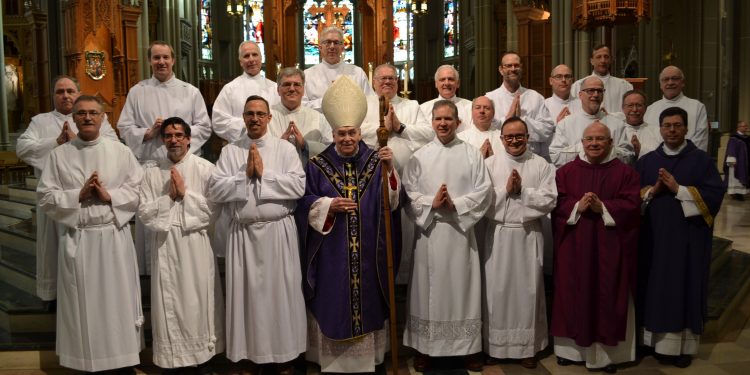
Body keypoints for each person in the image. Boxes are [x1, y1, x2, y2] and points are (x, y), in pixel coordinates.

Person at [296, 76, 400, 373]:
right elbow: (303, 203)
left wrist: (391, 169)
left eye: (351, 133)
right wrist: (328, 205)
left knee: (368, 300)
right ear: (333, 133)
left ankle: (369, 360)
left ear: (359, 132)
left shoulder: (377, 161)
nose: (347, 139)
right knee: (334, 300)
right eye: (341, 134)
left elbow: (394, 201)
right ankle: (333, 362)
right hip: (332, 255)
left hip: (369, 253)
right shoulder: (317, 165)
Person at [37, 95, 144, 372]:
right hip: (79, 239)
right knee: (81, 304)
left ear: (103, 117)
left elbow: (137, 191)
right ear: (72, 118)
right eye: (81, 113)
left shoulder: (120, 152)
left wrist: (109, 195)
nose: (87, 117)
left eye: (93, 113)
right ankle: (85, 361)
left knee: (117, 304)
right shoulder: (59, 155)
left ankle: (122, 362)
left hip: (112, 237)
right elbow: (46, 198)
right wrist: (78, 194)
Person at [208, 95, 306, 374]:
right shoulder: (230, 152)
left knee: (281, 295)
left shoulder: (284, 150)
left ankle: (285, 355)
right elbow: (215, 189)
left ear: (269, 118)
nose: (254, 118)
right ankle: (250, 356)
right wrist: (244, 177)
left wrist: (264, 175)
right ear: (243, 117)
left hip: (278, 234)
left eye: (260, 113)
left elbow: (299, 186)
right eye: (249, 113)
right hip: (244, 235)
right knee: (247, 298)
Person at [402, 100, 492, 372]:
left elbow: (484, 190)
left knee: (463, 289)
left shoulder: (471, 154)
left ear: (457, 122)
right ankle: (426, 348)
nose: (443, 124)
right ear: (431, 122)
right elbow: (409, 195)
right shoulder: (419, 155)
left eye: (448, 119)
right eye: (438, 119)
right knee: (426, 292)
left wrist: (458, 205)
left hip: (460, 235)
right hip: (431, 233)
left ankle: (468, 348)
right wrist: (432, 203)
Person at [636, 107, 725, 368]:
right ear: (660, 129)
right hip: (653, 237)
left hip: (688, 239)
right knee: (652, 285)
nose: (672, 130)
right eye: (667, 125)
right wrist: (652, 191)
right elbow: (635, 198)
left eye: (677, 125)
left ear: (686, 128)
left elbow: (713, 197)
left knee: (683, 284)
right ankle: (650, 342)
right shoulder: (647, 161)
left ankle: (682, 347)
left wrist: (678, 189)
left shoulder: (702, 161)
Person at [16, 75, 117, 301]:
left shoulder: (95, 118)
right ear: (53, 96)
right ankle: (52, 294)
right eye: (60, 91)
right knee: (52, 245)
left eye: (70, 91)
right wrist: (56, 143)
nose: (65, 95)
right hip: (54, 197)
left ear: (78, 93)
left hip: (89, 199)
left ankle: (87, 292)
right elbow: (23, 147)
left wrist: (80, 142)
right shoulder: (40, 121)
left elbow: (114, 147)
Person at [551, 122, 641, 373]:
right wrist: (576, 207)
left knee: (608, 294)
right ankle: (570, 351)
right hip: (575, 247)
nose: (594, 144)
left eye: (600, 139)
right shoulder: (565, 172)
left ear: (611, 143)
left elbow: (632, 206)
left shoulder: (626, 174)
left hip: (609, 249)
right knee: (572, 293)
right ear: (581, 142)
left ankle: (606, 356)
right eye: (589, 139)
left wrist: (603, 207)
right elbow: (556, 203)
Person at [137, 117, 225, 373]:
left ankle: (202, 361)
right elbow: (144, 213)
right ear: (162, 139)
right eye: (168, 135)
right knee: (169, 303)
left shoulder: (206, 169)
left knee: (198, 301)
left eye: (178, 135)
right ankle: (173, 361)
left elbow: (212, 211)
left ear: (189, 139)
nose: (173, 140)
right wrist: (168, 199)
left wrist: (185, 194)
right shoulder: (151, 173)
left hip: (195, 244)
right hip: (165, 244)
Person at [118, 40, 212, 274]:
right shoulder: (137, 91)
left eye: (165, 57)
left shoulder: (189, 91)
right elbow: (124, 126)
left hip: (184, 168)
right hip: (151, 167)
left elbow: (204, 126)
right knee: (152, 225)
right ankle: (152, 276)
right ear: (149, 61)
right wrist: (148, 133)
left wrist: (179, 136)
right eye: (156, 58)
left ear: (173, 60)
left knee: (184, 222)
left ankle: (187, 272)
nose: (161, 62)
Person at [482, 117, 557, 368]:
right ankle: (495, 347)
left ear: (528, 137)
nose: (514, 141)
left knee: (529, 291)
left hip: (527, 235)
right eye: (509, 137)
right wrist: (506, 190)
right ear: (501, 139)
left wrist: (522, 191)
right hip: (500, 234)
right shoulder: (490, 164)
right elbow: (482, 202)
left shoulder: (542, 165)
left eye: (519, 136)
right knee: (497, 290)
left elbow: (550, 200)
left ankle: (527, 347)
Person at [549, 76, 633, 167]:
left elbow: (628, 156)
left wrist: (607, 149)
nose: (596, 95)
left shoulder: (617, 124)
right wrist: (585, 147)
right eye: (590, 91)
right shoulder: (565, 124)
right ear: (580, 95)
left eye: (599, 91)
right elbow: (555, 157)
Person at [485, 52, 554, 158]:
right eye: (508, 65)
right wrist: (508, 119)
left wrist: (523, 120)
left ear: (521, 68)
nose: (513, 69)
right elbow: (486, 131)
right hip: (500, 158)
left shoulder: (535, 97)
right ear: (500, 70)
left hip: (531, 158)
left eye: (516, 65)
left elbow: (547, 131)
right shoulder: (490, 98)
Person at [213, 41, 279, 143]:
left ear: (261, 58)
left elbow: (281, 118)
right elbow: (219, 121)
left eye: (255, 55)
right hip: (240, 145)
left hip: (271, 144)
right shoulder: (230, 89)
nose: (251, 59)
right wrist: (248, 125)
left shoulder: (275, 88)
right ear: (240, 62)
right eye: (246, 56)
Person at [303, 26, 374, 111]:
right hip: (317, 123)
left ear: (343, 47)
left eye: (336, 43)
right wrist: (327, 102)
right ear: (320, 47)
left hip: (351, 122)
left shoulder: (357, 73)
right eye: (328, 42)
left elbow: (370, 103)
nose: (332, 47)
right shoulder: (307, 75)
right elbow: (301, 106)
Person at [268, 67, 331, 159]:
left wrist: (305, 145)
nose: (292, 89)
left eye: (297, 84)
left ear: (303, 90)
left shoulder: (318, 118)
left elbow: (331, 149)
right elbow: (259, 147)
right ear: (278, 90)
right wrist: (279, 145)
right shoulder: (266, 117)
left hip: (309, 172)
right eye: (287, 84)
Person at [644, 66, 709, 151]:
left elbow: (700, 141)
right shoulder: (650, 109)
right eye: (666, 79)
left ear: (682, 82)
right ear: (660, 85)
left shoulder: (697, 107)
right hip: (657, 160)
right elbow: (647, 140)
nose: (670, 82)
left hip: (688, 160)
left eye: (675, 78)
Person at [571, 45, 633, 115]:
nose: (603, 60)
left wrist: (609, 116)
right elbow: (574, 113)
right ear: (591, 61)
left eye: (606, 57)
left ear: (611, 60)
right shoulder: (578, 86)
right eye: (598, 57)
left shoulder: (625, 86)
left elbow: (630, 114)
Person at [419, 65, 473, 131]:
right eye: (442, 79)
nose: (446, 83)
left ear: (458, 83)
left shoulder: (470, 107)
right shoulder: (423, 109)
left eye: (450, 79)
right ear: (436, 84)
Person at [618, 90, 662, 161]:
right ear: (623, 108)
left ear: (645, 108)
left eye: (639, 105)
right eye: (630, 105)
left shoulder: (657, 132)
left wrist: (641, 151)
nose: (635, 109)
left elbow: (661, 158)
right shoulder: (616, 131)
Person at [724, 121, 749, 199]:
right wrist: (732, 160)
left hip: (745, 162)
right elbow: (731, 150)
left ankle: (740, 193)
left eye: (746, 126)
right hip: (737, 162)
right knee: (735, 177)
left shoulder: (747, 138)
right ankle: (735, 193)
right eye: (743, 126)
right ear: (739, 127)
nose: (745, 128)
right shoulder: (734, 138)